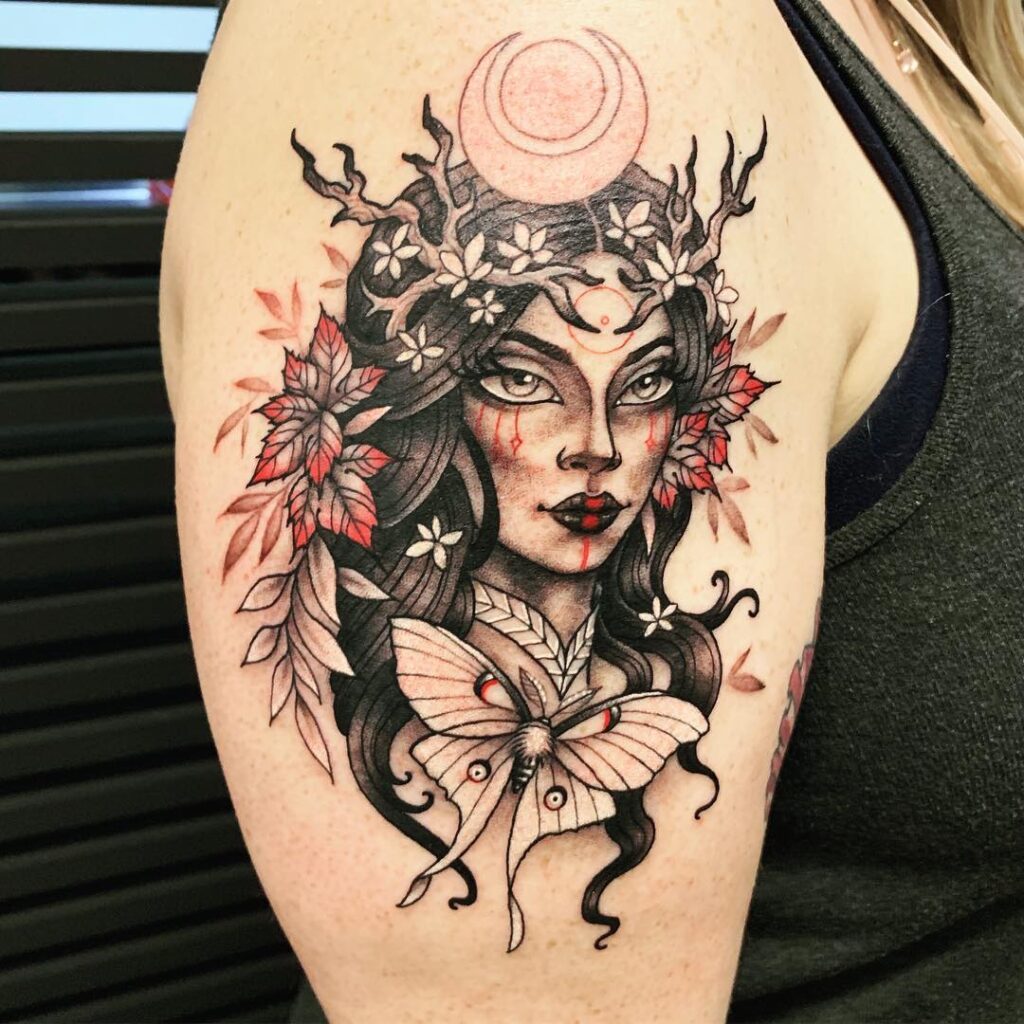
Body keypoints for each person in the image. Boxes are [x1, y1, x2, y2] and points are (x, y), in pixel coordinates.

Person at [160, 0, 1024, 1019]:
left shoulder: (930, 34)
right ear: (426, 394)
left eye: (648, 384)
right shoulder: (520, 26)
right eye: (525, 380)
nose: (598, 447)